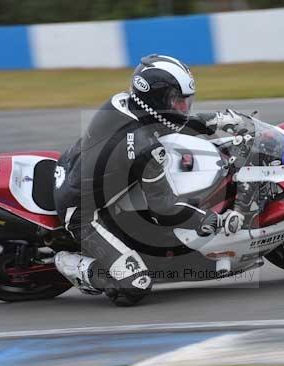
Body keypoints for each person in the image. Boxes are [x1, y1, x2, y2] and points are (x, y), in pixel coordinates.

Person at [53, 54, 249, 306]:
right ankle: (72, 265)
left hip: (71, 165)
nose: (183, 107)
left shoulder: (122, 101)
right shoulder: (146, 148)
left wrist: (218, 120)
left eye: (185, 101)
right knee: (136, 285)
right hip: (81, 213)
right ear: (155, 99)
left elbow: (166, 123)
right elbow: (164, 206)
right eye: (177, 101)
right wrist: (211, 220)